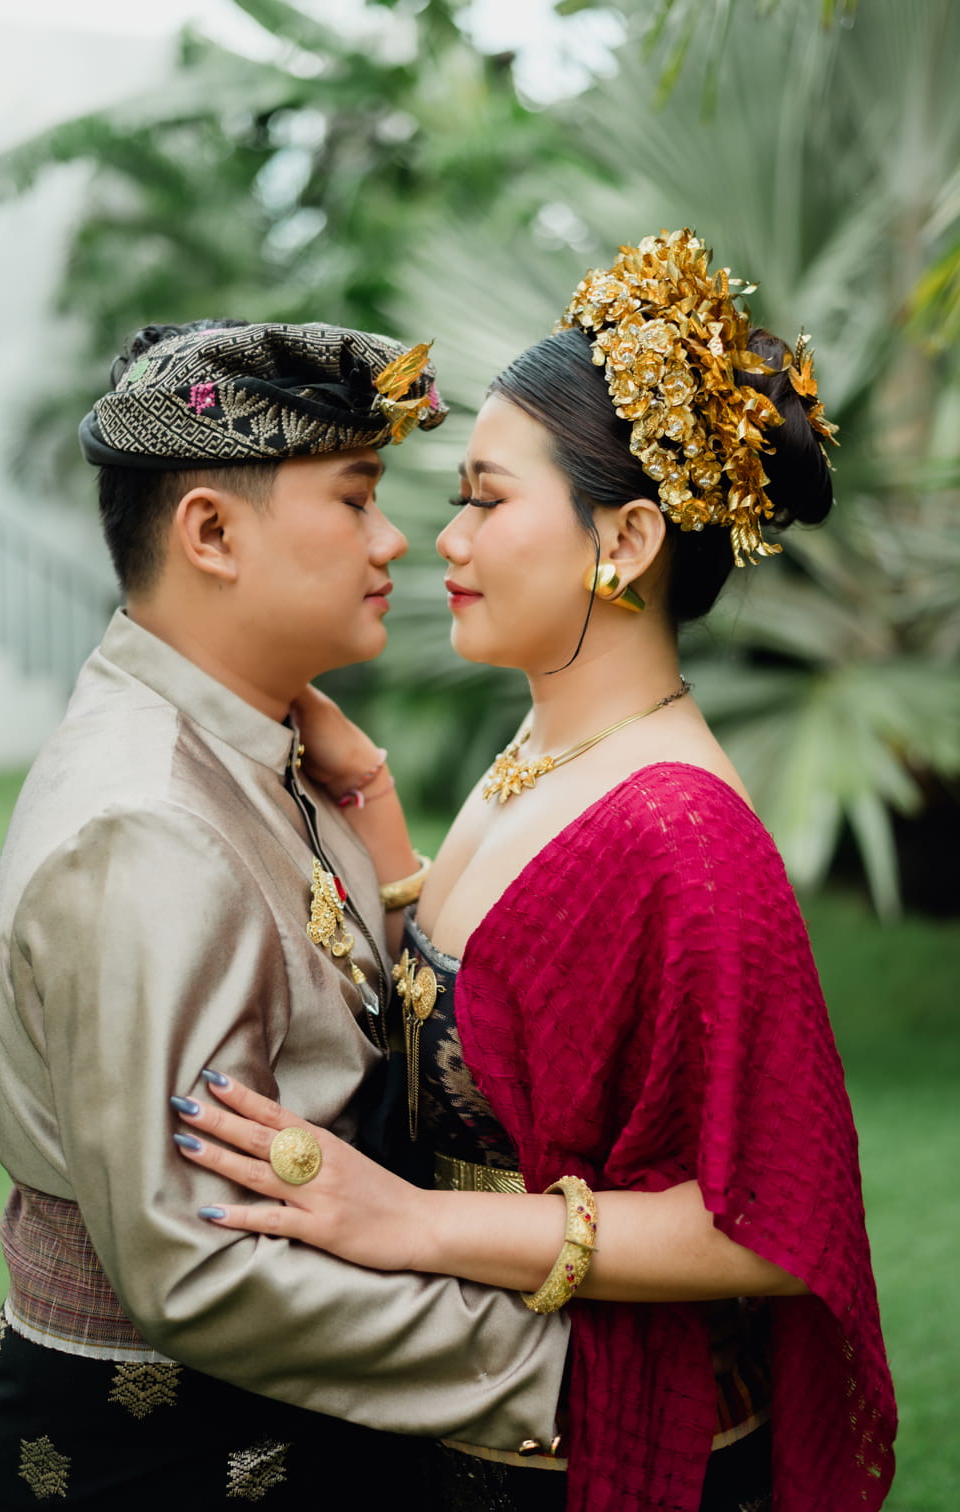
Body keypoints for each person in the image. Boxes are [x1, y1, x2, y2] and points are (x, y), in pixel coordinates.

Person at [171, 232, 898, 1512]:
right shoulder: (544, 746)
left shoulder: (683, 834)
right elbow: (493, 1008)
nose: (438, 540)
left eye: (487, 501)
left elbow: (771, 1223)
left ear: (625, 538)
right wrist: (373, 809)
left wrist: (409, 1221)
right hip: (483, 1396)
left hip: (599, 1440)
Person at [0, 319, 571, 1510]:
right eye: (353, 498)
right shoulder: (147, 824)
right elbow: (200, 1268)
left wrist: (373, 803)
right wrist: (555, 1368)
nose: (394, 539)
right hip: (164, 1458)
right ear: (210, 533)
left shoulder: (254, 745)